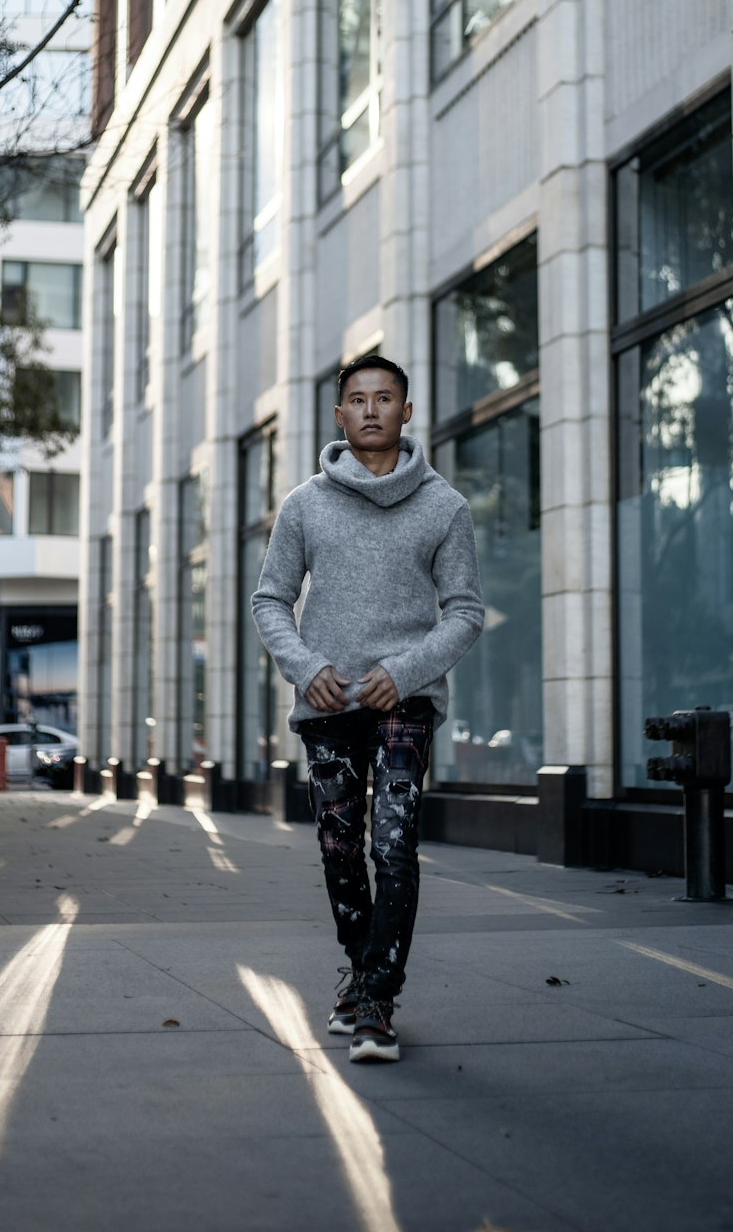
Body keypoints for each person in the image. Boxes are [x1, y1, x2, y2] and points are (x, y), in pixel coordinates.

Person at [252, 355, 484, 1062]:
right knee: (339, 848)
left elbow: (465, 612)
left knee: (393, 842)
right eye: (358, 399)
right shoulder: (304, 505)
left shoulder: (445, 506)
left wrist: (404, 670)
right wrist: (308, 667)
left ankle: (378, 1000)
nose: (372, 410)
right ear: (340, 416)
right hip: (327, 704)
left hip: (404, 704)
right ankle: (358, 972)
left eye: (386, 398)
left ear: (407, 411)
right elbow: (270, 601)